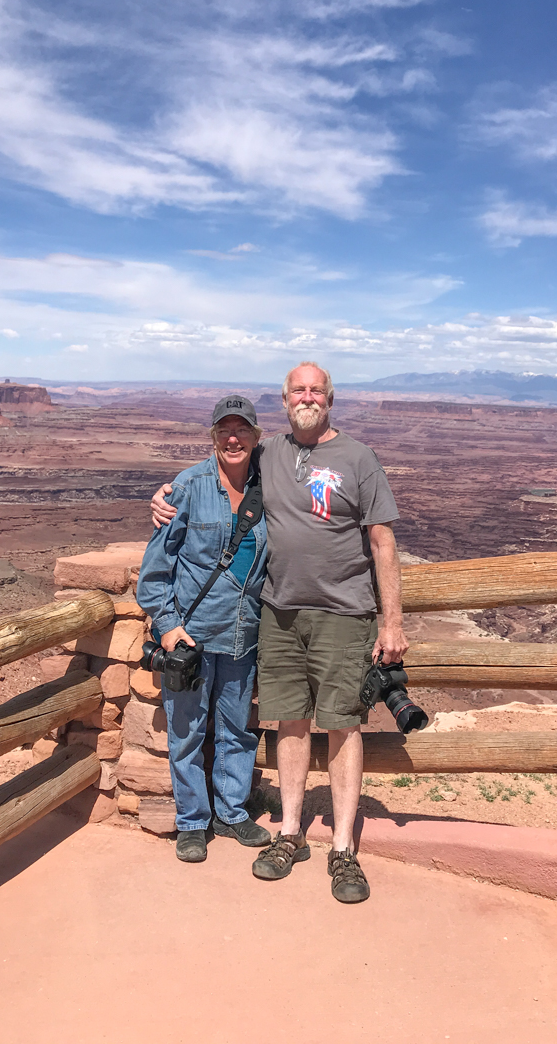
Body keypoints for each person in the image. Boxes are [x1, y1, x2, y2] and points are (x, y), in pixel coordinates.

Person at [152, 362, 408, 902]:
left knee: (340, 726)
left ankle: (342, 848)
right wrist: (163, 494)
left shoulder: (357, 457)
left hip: (338, 615)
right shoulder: (263, 456)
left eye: (316, 389)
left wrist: (392, 621)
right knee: (285, 721)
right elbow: (209, 477)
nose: (307, 397)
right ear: (285, 401)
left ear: (330, 399)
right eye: (298, 390)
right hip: (276, 616)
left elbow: (383, 542)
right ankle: (282, 832)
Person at [136, 396, 272, 863]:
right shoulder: (187, 488)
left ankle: (231, 813)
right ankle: (192, 821)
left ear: (256, 437)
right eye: (224, 431)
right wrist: (169, 629)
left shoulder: (269, 488)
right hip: (191, 638)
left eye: (242, 430)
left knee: (236, 730)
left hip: (243, 636)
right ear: (213, 437)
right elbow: (155, 571)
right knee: (188, 732)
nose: (233, 439)